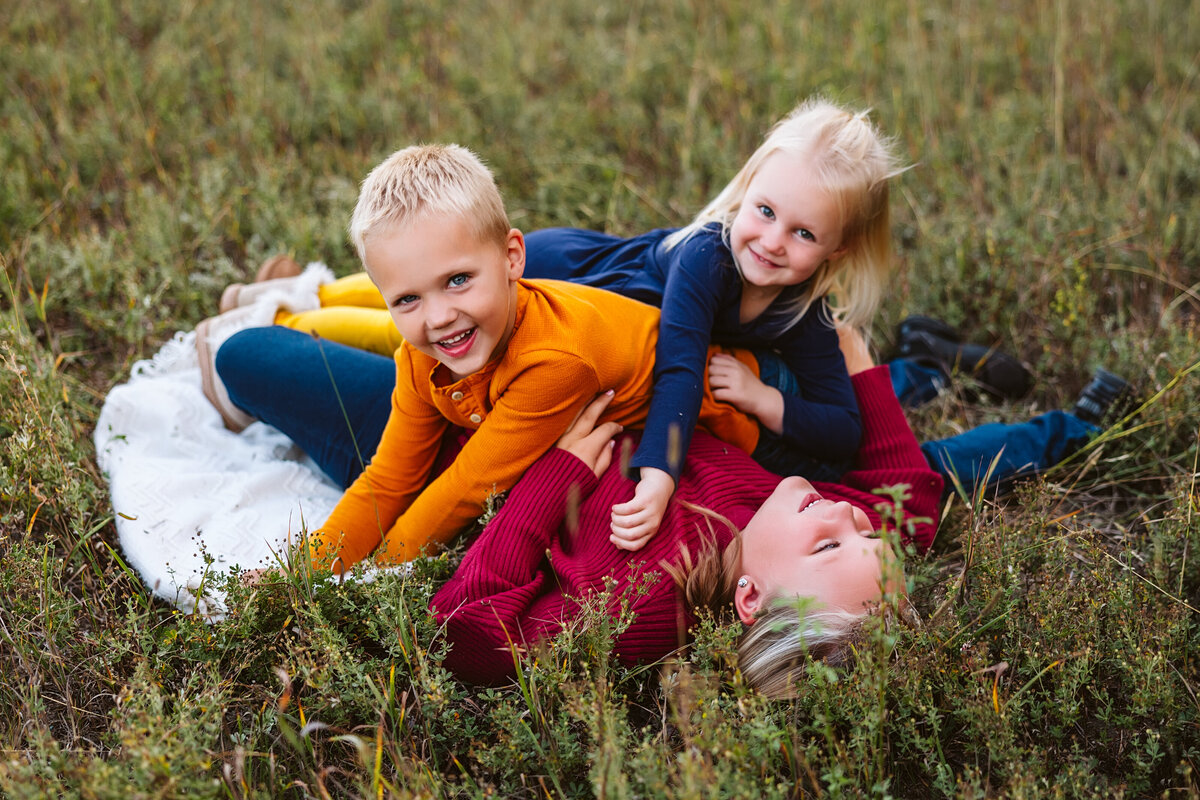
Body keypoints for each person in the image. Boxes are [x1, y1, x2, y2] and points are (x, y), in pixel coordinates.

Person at [212, 97, 905, 549]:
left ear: (835, 249)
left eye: (804, 232)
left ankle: (299, 310)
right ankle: (308, 302)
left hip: (576, 329)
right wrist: (660, 469)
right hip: (576, 273)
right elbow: (681, 362)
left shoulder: (801, 316)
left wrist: (759, 403)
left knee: (438, 314)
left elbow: (831, 427)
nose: (774, 241)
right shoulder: (707, 258)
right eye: (764, 212)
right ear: (744, 193)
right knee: (423, 316)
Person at [428, 327, 1131, 695]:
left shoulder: (636, 607)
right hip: (647, 381)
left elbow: (469, 637)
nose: (844, 517)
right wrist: (861, 368)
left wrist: (556, 474)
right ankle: (927, 368)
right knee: (922, 463)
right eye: (863, 532)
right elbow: (907, 501)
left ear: (749, 597)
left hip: (478, 433)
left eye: (828, 545)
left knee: (337, 362)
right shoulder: (793, 519)